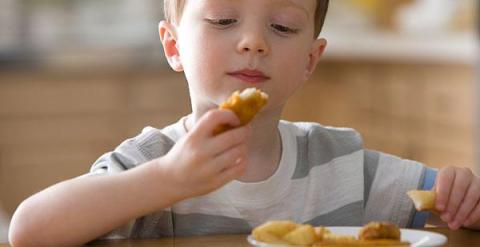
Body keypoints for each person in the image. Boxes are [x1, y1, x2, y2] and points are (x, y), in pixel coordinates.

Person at [8, 0, 480, 246]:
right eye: (223, 19)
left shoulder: (342, 163)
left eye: (282, 27)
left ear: (311, 60)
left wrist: (464, 197)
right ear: (173, 47)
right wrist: (166, 180)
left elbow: (445, 207)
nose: (253, 41)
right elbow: (28, 230)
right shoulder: (150, 163)